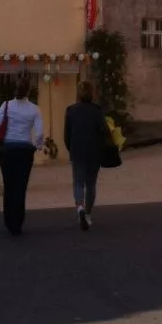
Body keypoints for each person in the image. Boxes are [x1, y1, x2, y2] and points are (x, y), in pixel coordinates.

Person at [0, 77, 44, 236]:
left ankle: (9, 221)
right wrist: (37, 146)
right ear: (29, 91)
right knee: (21, 187)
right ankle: (18, 222)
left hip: (8, 149)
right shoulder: (34, 109)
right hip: (25, 150)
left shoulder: (6, 105)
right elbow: (40, 133)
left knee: (9, 186)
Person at [63, 80, 108, 232]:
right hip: (94, 151)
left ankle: (80, 207)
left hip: (77, 151)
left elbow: (66, 135)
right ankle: (88, 214)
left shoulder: (70, 110)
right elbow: (103, 132)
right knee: (91, 184)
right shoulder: (97, 110)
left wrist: (71, 148)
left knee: (78, 183)